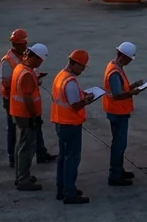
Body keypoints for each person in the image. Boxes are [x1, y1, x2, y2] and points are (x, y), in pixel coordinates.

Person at [0, 28, 53, 168]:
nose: (25, 45)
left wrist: (34, 78)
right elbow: (7, 83)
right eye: (23, 43)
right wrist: (26, 83)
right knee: (14, 129)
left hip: (24, 98)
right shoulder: (7, 61)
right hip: (13, 101)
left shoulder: (24, 57)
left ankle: (41, 153)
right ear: (15, 44)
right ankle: (13, 158)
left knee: (35, 126)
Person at [51, 49, 97, 205]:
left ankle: (62, 188)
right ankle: (69, 192)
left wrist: (82, 94)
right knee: (72, 159)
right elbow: (76, 105)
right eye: (82, 67)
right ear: (74, 63)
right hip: (70, 124)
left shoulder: (60, 76)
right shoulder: (70, 81)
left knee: (63, 157)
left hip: (60, 122)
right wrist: (87, 100)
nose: (82, 70)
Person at [104, 41, 147, 187]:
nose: (130, 62)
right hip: (118, 112)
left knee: (119, 143)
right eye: (129, 59)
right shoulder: (114, 72)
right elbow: (117, 95)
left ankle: (118, 170)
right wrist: (132, 92)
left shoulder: (115, 67)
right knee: (119, 144)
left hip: (117, 111)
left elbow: (120, 88)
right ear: (123, 56)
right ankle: (115, 174)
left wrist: (132, 86)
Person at [8, 42, 48, 192]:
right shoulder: (26, 74)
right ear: (36, 58)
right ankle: (23, 180)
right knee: (26, 149)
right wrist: (34, 116)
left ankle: (21, 176)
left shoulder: (20, 68)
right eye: (40, 61)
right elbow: (27, 98)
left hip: (18, 113)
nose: (40, 64)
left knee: (20, 146)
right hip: (26, 115)